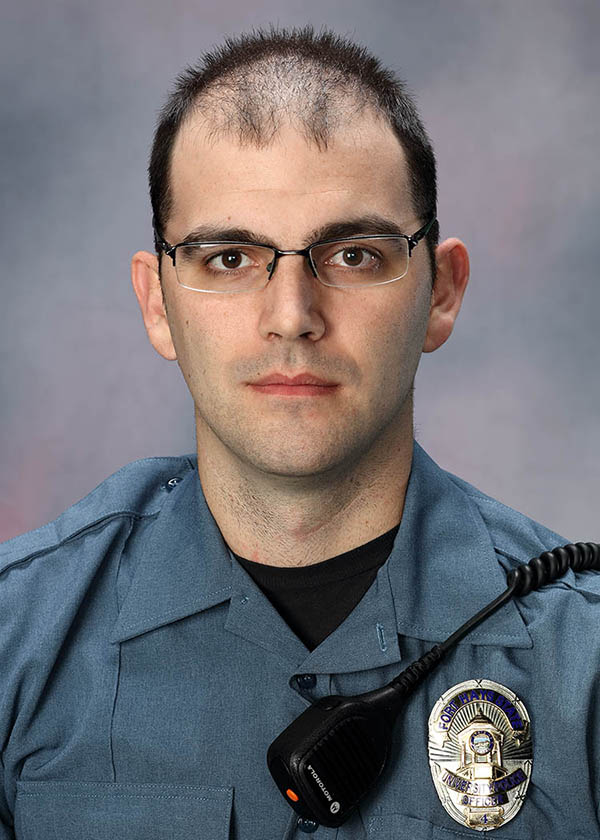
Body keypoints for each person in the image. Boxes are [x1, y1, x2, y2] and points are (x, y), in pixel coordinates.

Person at [1, 26, 598, 840]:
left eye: (353, 255)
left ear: (442, 292)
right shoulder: (18, 643)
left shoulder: (584, 660)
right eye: (229, 258)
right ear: (157, 303)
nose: (291, 317)